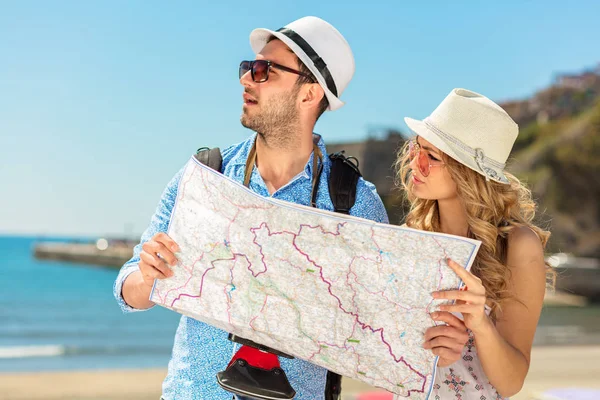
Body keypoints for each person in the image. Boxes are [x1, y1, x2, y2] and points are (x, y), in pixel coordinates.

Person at [113, 16, 388, 400]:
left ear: (309, 93)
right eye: (248, 68)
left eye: (264, 71)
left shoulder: (356, 203)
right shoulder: (204, 175)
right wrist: (147, 276)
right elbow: (127, 290)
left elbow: (380, 330)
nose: (246, 79)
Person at [395, 88, 552, 399]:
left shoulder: (517, 245)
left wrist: (480, 324)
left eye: (432, 157)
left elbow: (511, 382)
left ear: (467, 172)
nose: (415, 163)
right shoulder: (414, 234)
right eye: (416, 149)